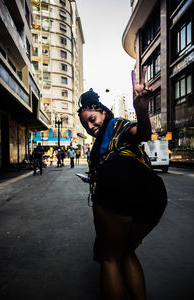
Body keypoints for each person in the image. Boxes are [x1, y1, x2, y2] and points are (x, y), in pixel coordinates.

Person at [77, 67, 167, 300]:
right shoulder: (102, 143)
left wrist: (141, 109)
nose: (90, 127)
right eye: (86, 125)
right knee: (126, 250)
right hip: (154, 194)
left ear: (103, 112)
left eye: (92, 119)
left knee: (109, 256)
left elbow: (142, 133)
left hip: (121, 186)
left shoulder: (117, 125)